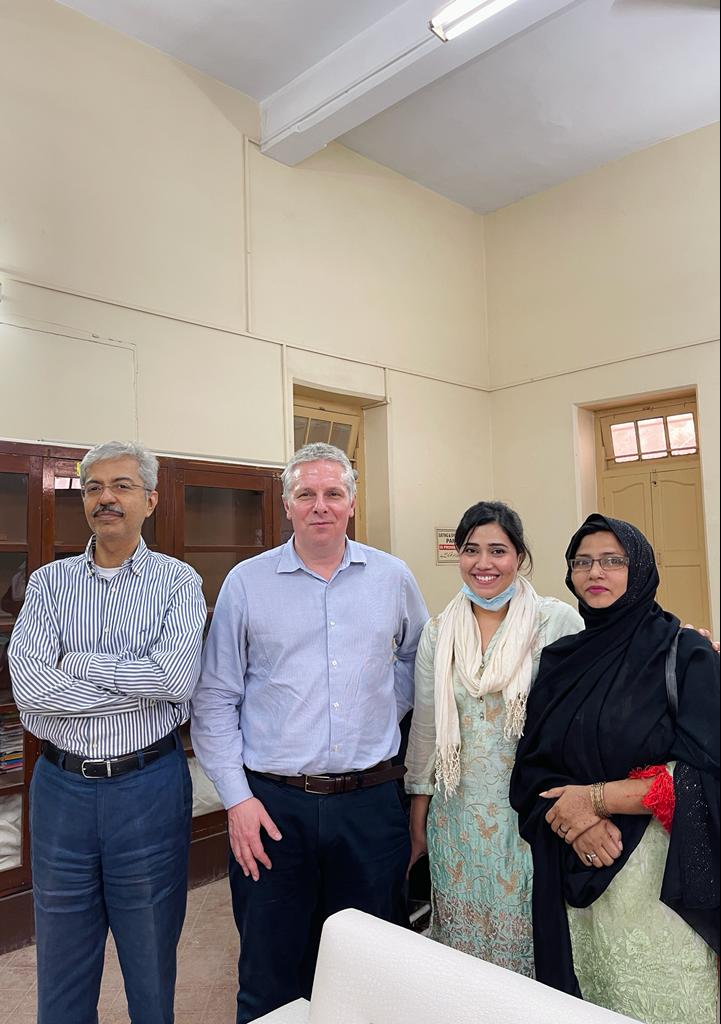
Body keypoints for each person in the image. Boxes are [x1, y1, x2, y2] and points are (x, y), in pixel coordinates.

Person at [190, 442, 428, 1024]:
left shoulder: (392, 577)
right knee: (272, 971)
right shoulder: (247, 583)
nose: (320, 505)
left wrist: (381, 703)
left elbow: (419, 660)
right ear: (287, 504)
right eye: (306, 494)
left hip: (371, 806)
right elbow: (216, 695)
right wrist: (237, 800)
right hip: (271, 806)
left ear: (351, 503)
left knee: (371, 965)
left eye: (333, 493)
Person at [9, 441, 207, 1024]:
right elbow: (31, 694)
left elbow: (174, 678)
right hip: (61, 790)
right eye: (94, 488)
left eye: (120, 486)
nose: (106, 499)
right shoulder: (47, 584)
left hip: (146, 787)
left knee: (150, 957)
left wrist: (78, 664)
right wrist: (129, 679)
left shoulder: (177, 582)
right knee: (62, 957)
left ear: (149, 500)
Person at [509, 514, 719, 1024]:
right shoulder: (561, 660)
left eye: (612, 560)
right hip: (582, 887)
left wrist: (595, 800)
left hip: (662, 887)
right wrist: (576, 820)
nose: (594, 572)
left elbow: (706, 768)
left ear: (640, 568)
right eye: (582, 562)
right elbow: (531, 768)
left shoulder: (684, 652)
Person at [405, 501, 583, 974]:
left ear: (520, 557)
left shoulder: (555, 622)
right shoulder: (439, 631)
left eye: (498, 551)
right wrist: (418, 821)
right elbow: (425, 730)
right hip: (456, 818)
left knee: (530, 945)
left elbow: (588, 710)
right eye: (471, 550)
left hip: (529, 816)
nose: (483, 564)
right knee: (462, 955)